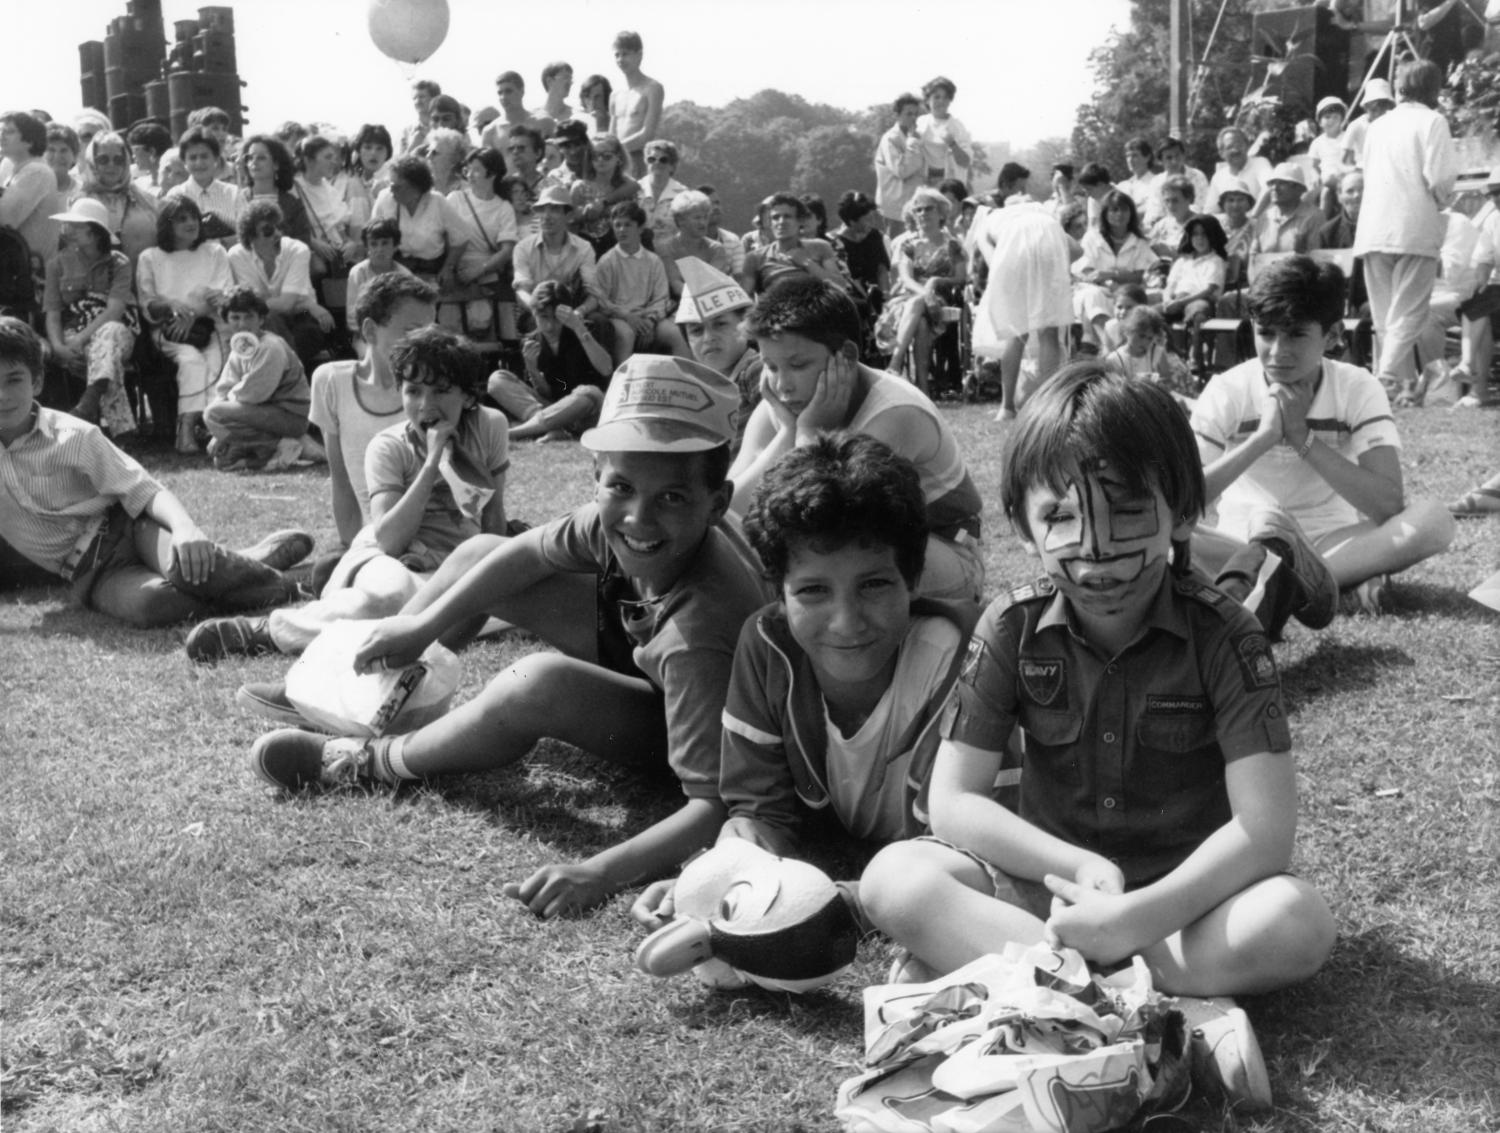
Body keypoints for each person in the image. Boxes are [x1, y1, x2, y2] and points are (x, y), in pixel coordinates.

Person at [858, 362, 1336, 1113]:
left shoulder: (1229, 636)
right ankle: (1169, 1021)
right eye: (1061, 517)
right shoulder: (1010, 626)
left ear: (1184, 514)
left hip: (1187, 909)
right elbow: (951, 803)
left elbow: (1264, 832)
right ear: (1021, 523)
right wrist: (1080, 868)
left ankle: (1033, 994)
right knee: (894, 876)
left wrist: (1133, 919)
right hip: (1056, 901)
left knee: (1297, 921)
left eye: (1126, 512)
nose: (1097, 550)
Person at [246, 356, 772, 922]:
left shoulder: (704, 629)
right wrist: (420, 627)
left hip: (691, 715)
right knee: (479, 554)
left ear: (717, 504)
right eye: (620, 486)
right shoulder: (617, 518)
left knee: (538, 682)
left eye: (672, 498)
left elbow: (714, 806)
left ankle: (367, 759)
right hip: (647, 651)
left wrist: (599, 872)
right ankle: (352, 694)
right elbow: (523, 552)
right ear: (597, 477)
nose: (639, 517)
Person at [186, 325, 507, 661]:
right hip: (396, 557)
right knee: (386, 599)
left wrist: (495, 571)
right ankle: (271, 629)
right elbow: (390, 540)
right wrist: (430, 466)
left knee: (511, 599)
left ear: (468, 396)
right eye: (413, 391)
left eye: (440, 392)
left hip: (455, 560)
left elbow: (494, 520)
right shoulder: (388, 447)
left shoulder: (489, 426)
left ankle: (404, 618)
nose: (425, 405)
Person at [1191, 255, 1456, 619]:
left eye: (1297, 334)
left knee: (1434, 519)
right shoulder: (1227, 389)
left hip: (1329, 541)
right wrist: (1265, 437)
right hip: (1243, 540)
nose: (1278, 351)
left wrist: (1302, 437)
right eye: (1266, 333)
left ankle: (1285, 588)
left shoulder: (1357, 387)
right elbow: (1184, 500)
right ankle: (1329, 587)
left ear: (1332, 335)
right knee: (1166, 538)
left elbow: (1387, 504)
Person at [0, 316, 310, 627]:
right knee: (154, 605)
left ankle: (306, 582)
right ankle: (251, 561)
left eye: (14, 380)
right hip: (91, 572)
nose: (2, 395)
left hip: (129, 529)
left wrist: (185, 529)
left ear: (37, 381)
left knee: (189, 568)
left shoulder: (73, 436)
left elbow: (143, 488)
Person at [729, 277, 984, 603]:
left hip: (946, 552)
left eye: (798, 364)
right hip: (869, 553)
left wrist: (809, 431)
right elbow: (729, 512)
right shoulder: (786, 402)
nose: (782, 385)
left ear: (846, 356)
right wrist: (787, 432)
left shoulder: (896, 413)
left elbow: (818, 520)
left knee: (827, 559)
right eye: (770, 366)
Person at [1353, 59, 1459, 398]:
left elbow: (1367, 172)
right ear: (1433, 89)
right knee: (1409, 312)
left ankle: (1403, 385)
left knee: (1388, 316)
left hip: (1373, 226)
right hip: (1413, 224)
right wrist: (1441, 200)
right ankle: (1386, 378)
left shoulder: (1377, 125)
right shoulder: (1433, 121)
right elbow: (1440, 178)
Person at [313, 274, 438, 556]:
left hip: (432, 537)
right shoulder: (332, 381)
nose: (424, 344)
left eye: (429, 332)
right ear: (369, 331)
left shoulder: (435, 390)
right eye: (411, 331)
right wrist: (351, 547)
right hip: (374, 539)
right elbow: (341, 477)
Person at [136, 196, 232, 453]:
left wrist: (192, 315)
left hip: (208, 327)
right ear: (167, 224)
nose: (190, 223)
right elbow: (148, 303)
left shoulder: (215, 251)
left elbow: (222, 295)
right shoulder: (150, 257)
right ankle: (186, 429)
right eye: (181, 218)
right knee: (191, 360)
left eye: (193, 217)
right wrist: (170, 307)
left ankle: (215, 432)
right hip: (169, 331)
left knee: (216, 363)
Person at [42, 198, 139, 437]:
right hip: (74, 334)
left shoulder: (119, 263)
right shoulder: (57, 264)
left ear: (96, 233)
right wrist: (58, 346)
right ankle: (122, 429)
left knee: (109, 334)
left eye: (77, 227)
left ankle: (88, 404)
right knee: (107, 358)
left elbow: (114, 311)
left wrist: (81, 339)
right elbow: (52, 312)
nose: (69, 231)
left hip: (114, 332)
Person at [488, 278, 612, 442]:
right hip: (554, 408)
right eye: (544, 317)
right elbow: (548, 392)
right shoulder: (532, 341)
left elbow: (606, 369)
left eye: (556, 318)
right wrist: (532, 369)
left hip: (586, 408)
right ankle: (555, 428)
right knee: (497, 379)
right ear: (534, 314)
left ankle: (515, 433)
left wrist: (579, 328)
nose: (549, 326)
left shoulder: (584, 330)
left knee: (589, 392)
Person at [204, 286, 312, 471]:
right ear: (227, 321)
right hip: (261, 414)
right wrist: (218, 433)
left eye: (249, 317)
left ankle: (283, 445)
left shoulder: (270, 346)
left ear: (261, 319)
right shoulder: (241, 347)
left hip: (289, 416)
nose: (242, 324)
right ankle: (271, 454)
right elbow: (224, 388)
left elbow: (253, 394)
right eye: (235, 318)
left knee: (213, 413)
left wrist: (220, 423)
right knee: (222, 460)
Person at [227, 201, 336, 373]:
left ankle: (282, 377)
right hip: (266, 319)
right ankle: (287, 378)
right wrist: (307, 303)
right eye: (268, 230)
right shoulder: (237, 255)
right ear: (250, 236)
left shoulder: (297, 250)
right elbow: (255, 303)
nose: (277, 233)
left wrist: (303, 306)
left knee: (306, 336)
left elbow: (284, 304)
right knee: (269, 324)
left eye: (279, 227)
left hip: (301, 316)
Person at [875, 188, 966, 393]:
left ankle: (895, 365)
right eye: (918, 210)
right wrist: (925, 293)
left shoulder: (952, 245)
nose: (923, 214)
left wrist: (935, 281)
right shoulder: (908, 245)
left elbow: (961, 277)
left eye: (928, 209)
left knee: (921, 310)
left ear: (941, 212)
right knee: (921, 322)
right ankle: (923, 388)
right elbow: (905, 278)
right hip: (907, 301)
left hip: (939, 302)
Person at [672, 257, 761, 453]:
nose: (708, 338)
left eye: (720, 325)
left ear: (745, 325)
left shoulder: (756, 370)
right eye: (696, 330)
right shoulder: (702, 386)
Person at [595, 202, 688, 364]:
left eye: (628, 225)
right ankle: (621, 385)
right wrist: (627, 316)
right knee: (626, 335)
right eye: (618, 225)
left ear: (640, 228)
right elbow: (602, 300)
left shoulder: (653, 261)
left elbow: (661, 298)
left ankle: (686, 381)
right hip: (619, 318)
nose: (622, 230)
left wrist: (650, 321)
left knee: (675, 334)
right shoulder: (607, 261)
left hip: (648, 317)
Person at [445, 146, 518, 337]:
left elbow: (506, 250)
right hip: (455, 274)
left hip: (488, 277)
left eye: (476, 169)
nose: (470, 174)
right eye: (468, 169)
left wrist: (479, 270)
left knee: (489, 332)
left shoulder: (504, 208)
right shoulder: (455, 199)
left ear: (492, 173)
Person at [1073, 189, 1158, 352]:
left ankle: (1097, 344)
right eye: (1114, 210)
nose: (1119, 214)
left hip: (1127, 294)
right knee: (1091, 295)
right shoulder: (1092, 237)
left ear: (1131, 213)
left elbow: (1137, 276)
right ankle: (1110, 344)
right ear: (1105, 214)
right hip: (1097, 289)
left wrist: (1111, 275)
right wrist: (1109, 282)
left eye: (1124, 209)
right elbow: (1087, 271)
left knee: (1107, 303)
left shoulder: (1139, 241)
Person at [511, 184, 603, 327]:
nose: (546, 216)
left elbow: (593, 293)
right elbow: (521, 291)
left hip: (572, 309)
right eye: (542, 210)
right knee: (531, 324)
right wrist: (538, 309)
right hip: (537, 311)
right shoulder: (523, 248)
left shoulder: (584, 248)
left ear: (568, 215)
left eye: (554, 209)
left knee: (598, 322)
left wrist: (579, 312)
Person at [69, 131, 157, 270]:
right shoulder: (79, 202)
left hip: (143, 280)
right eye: (103, 160)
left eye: (118, 160)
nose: (112, 165)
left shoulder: (145, 200)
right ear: (92, 162)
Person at [371, 154, 462, 288]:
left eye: (398, 186)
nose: (391, 190)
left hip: (432, 271)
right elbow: (373, 234)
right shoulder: (385, 198)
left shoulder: (437, 202)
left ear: (416, 188)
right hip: (396, 271)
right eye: (391, 184)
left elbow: (461, 239)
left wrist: (448, 268)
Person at [740, 194, 848, 297]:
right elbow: (745, 298)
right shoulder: (755, 258)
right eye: (775, 217)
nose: (781, 222)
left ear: (800, 221)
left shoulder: (820, 247)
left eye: (787, 216)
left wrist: (808, 264)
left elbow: (840, 286)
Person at [1163, 214, 1229, 377]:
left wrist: (1183, 302)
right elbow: (1169, 286)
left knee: (1199, 312)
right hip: (1177, 299)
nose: (1199, 239)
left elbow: (1209, 290)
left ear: (1212, 236)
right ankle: (1166, 357)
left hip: (1199, 300)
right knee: (1149, 314)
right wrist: (1167, 300)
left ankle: (1195, 357)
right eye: (1195, 234)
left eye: (1204, 234)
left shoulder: (1215, 261)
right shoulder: (1182, 261)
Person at [1, 110, 64, 261]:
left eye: (9, 132)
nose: (2, 136)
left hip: (32, 278)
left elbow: (4, 219)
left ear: (29, 141)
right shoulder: (18, 170)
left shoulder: (36, 172)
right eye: (1, 131)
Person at [165, 126, 239, 246]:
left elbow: (247, 236)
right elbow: (169, 238)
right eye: (193, 158)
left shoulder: (233, 193)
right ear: (184, 162)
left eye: (204, 156)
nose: (199, 163)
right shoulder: (175, 196)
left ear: (215, 158)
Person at [570, 133, 639, 257]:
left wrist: (603, 205)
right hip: (586, 253)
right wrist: (586, 212)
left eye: (606, 156)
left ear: (619, 158)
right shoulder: (579, 187)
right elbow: (570, 220)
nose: (600, 160)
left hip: (620, 252)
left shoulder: (628, 187)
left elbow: (637, 222)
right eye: (595, 156)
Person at [236, 135, 312, 246]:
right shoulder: (237, 198)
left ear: (276, 164)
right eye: (249, 158)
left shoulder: (292, 203)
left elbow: (303, 242)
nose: (254, 162)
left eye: (261, 158)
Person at [1103, 304, 1194, 396]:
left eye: (1150, 338)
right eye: (1141, 336)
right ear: (1128, 331)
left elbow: (1168, 381)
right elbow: (1114, 391)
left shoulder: (1157, 353)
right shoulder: (1114, 359)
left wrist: (1159, 383)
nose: (1145, 342)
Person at [656, 190, 730, 301]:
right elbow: (676, 286)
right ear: (680, 221)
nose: (703, 223)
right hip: (679, 307)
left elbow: (713, 284)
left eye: (705, 217)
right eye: (697, 218)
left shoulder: (717, 249)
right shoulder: (666, 249)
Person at [609, 31, 665, 177]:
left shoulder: (653, 88)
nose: (621, 59)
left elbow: (647, 134)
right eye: (617, 55)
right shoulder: (615, 95)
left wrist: (616, 150)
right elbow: (611, 137)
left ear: (639, 55)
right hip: (616, 165)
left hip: (640, 162)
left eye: (625, 54)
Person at [874, 94, 926, 233]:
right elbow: (902, 171)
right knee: (898, 249)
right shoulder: (891, 139)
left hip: (913, 205)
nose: (913, 118)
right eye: (909, 114)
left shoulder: (917, 136)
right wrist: (913, 143)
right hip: (895, 211)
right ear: (897, 115)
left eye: (916, 114)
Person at [1250, 163, 1323, 255]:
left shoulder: (1314, 217)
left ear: (1299, 189)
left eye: (1282, 183)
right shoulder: (1264, 218)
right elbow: (1254, 257)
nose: (1274, 188)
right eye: (1272, 183)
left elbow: (1317, 257)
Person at [916, 77, 973, 188]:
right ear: (928, 100)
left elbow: (966, 162)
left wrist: (952, 144)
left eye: (946, 97)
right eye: (937, 97)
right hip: (924, 184)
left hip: (948, 186)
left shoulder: (957, 127)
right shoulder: (920, 122)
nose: (941, 101)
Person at [1206, 126, 1273, 215]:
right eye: (1230, 147)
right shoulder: (1219, 177)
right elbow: (1210, 211)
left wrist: (1252, 217)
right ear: (1221, 153)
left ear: (1247, 146)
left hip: (1261, 223)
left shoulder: (1260, 164)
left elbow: (1269, 187)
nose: (1236, 150)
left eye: (1239, 145)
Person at [636, 139, 688, 246]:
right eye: (651, 159)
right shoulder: (635, 189)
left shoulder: (683, 194)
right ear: (646, 162)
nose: (657, 163)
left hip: (670, 254)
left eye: (663, 160)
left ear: (672, 165)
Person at [1118, 136, 1158, 214]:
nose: (1130, 160)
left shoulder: (1156, 182)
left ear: (1147, 157)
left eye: (1135, 155)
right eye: (1128, 156)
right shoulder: (1122, 186)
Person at [44, 123, 82, 197]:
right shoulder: (31, 191)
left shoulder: (82, 192)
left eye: (64, 150)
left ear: (74, 156)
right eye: (51, 150)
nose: (57, 156)